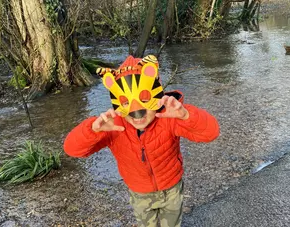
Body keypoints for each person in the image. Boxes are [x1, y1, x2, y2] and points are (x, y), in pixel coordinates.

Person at [63, 55, 220, 227]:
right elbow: (72, 150)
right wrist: (91, 130)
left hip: (171, 188)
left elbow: (211, 133)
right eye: (126, 102)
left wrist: (186, 116)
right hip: (140, 193)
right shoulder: (112, 126)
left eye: (144, 99)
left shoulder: (169, 117)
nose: (136, 112)